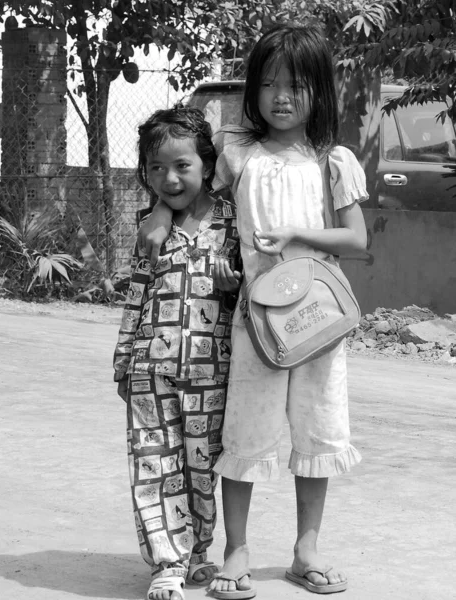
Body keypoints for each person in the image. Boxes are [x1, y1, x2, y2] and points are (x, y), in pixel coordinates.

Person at [137, 22, 368, 598]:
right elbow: (200, 203)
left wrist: (298, 233)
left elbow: (357, 239)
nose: (281, 97)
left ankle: (305, 551)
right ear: (253, 92)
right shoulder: (238, 153)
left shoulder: (332, 159)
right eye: (268, 84)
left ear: (320, 89)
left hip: (318, 321)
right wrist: (163, 216)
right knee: (245, 430)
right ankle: (235, 551)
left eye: (295, 85)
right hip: (255, 321)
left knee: (316, 428)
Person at [113, 105, 242, 600]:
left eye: (182, 166)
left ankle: (199, 555)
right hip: (151, 368)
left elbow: (250, 294)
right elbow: (136, 292)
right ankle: (166, 564)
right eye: (156, 168)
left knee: (201, 466)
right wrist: (125, 361)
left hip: (215, 374)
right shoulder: (150, 227)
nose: (169, 178)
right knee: (154, 466)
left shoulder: (234, 223)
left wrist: (234, 287)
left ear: (207, 165)